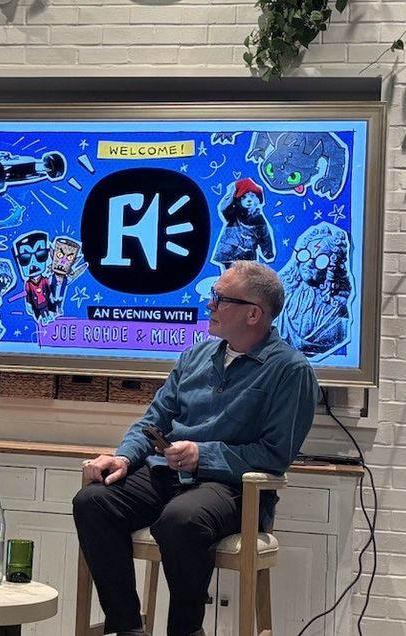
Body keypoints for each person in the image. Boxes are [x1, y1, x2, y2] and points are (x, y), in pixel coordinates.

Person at [72, 261, 318, 636]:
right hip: (167, 473)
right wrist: (122, 456)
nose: (210, 305)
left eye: (220, 299)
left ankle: (186, 631)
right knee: (92, 502)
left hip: (231, 488)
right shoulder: (196, 356)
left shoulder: (290, 370)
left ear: (254, 314)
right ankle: (125, 628)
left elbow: (274, 455)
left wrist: (205, 455)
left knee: (180, 520)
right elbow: (153, 420)